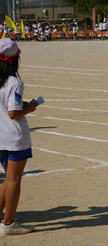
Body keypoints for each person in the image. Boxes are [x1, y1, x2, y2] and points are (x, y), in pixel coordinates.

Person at [0, 39, 36, 235]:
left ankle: (3, 218)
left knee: (7, 179)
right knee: (14, 180)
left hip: (0, 137)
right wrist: (29, 108)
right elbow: (13, 113)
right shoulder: (14, 82)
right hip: (14, 137)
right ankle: (8, 223)